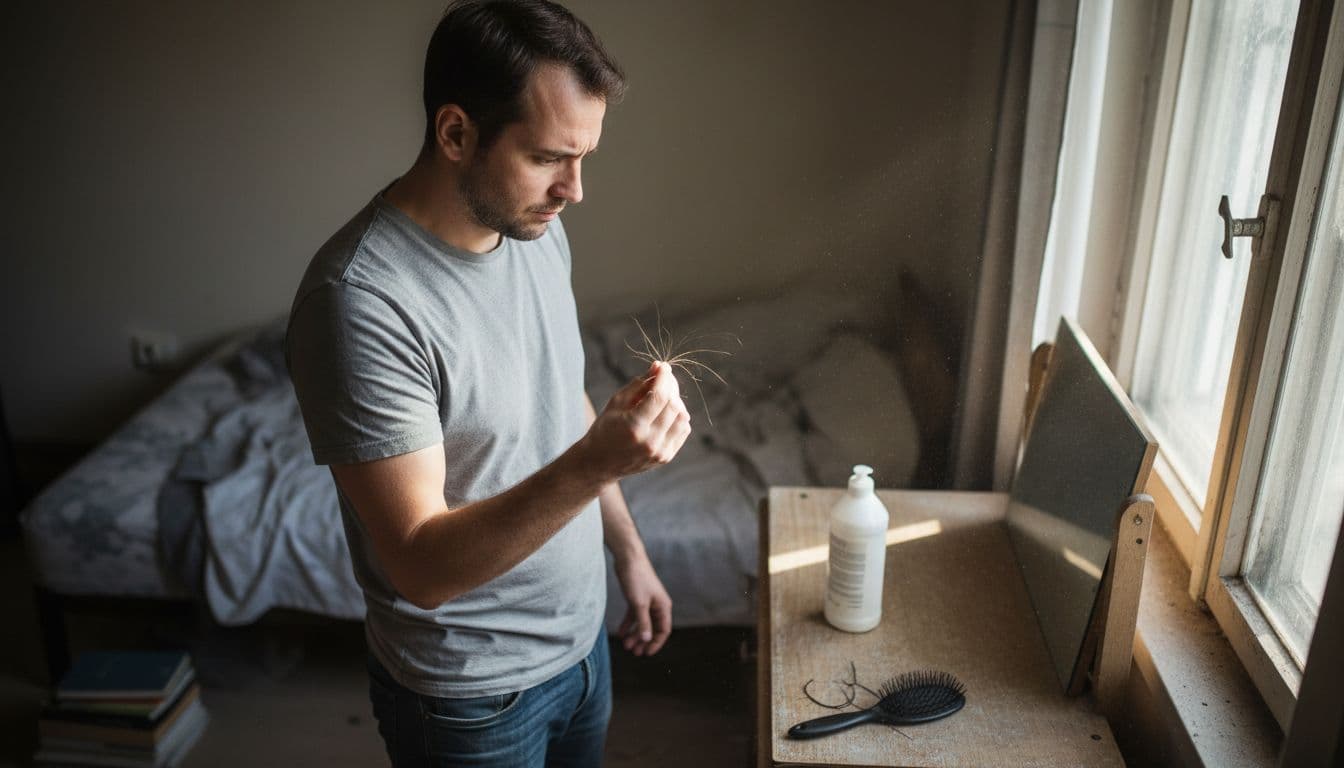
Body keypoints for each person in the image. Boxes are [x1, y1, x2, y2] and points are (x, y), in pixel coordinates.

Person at [284, 2, 690, 765]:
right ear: (456, 133)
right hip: (471, 696)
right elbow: (420, 568)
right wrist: (600, 461)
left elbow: (560, 399)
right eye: (547, 158)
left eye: (583, 158)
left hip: (582, 647)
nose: (574, 190)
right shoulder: (358, 302)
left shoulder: (534, 229)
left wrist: (626, 549)